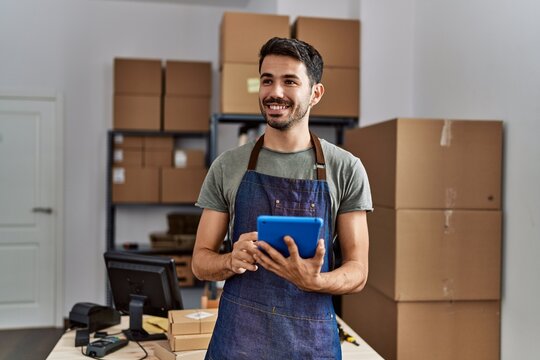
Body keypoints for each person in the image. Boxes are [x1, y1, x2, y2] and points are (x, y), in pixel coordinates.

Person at [192, 37, 372, 360]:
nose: (275, 92)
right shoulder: (227, 166)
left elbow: (358, 271)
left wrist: (315, 280)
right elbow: (200, 261)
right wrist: (230, 260)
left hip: (310, 344)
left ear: (315, 93)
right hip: (239, 344)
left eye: (290, 81)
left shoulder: (346, 169)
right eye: (267, 80)